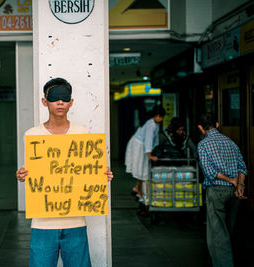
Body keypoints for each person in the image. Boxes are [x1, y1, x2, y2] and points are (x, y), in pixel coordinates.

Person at [15, 77, 113, 267]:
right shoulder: (32, 135)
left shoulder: (82, 133)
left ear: (71, 102)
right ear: (45, 101)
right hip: (42, 222)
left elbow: (88, 170)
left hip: (75, 221)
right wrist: (22, 175)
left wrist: (102, 175)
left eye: (65, 97)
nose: (60, 101)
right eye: (54, 97)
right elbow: (32, 173)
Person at [197, 113, 247, 266]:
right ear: (217, 125)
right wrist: (239, 185)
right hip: (234, 193)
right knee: (228, 230)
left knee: (218, 234)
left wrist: (230, 179)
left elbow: (209, 172)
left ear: (200, 128)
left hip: (216, 191)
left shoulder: (203, 145)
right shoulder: (231, 142)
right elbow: (242, 167)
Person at [124, 105, 166, 202]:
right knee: (142, 169)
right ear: (158, 115)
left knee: (142, 170)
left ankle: (137, 189)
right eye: (162, 117)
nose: (162, 119)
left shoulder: (154, 124)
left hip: (141, 145)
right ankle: (139, 192)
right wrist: (149, 154)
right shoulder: (151, 125)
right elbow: (148, 140)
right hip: (139, 146)